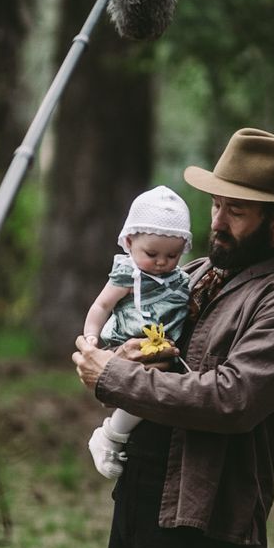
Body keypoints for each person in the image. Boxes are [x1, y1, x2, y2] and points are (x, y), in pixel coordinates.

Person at [72, 127, 274, 548]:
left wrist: (115, 377)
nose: (216, 221)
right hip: (139, 501)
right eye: (215, 204)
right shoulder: (195, 274)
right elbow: (137, 347)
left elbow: (230, 398)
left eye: (236, 210)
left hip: (202, 520)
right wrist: (109, 352)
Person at [83, 185, 193, 479]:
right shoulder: (129, 274)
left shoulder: (179, 279)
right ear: (129, 242)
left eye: (172, 255)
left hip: (161, 345)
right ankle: (111, 435)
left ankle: (115, 435)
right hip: (127, 341)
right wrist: (91, 336)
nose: (161, 262)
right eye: (152, 253)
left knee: (160, 387)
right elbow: (101, 305)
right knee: (151, 386)